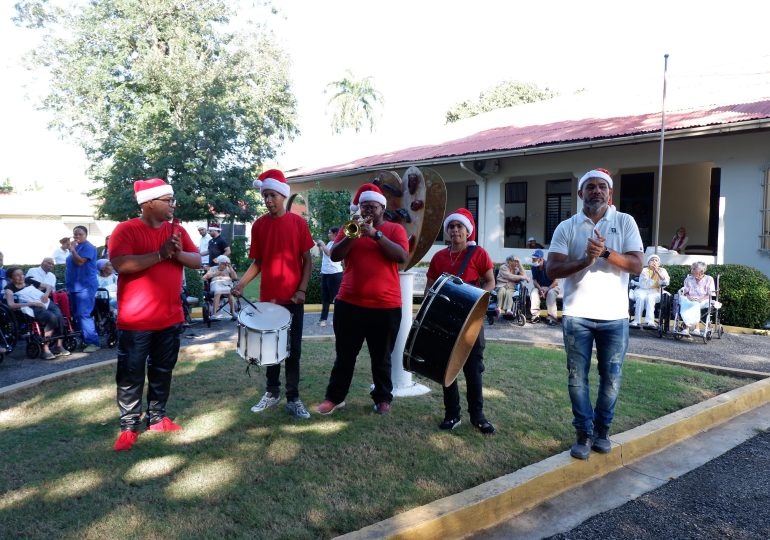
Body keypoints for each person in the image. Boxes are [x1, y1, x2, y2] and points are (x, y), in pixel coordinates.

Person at [546, 167, 643, 460]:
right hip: (578, 315)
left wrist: (604, 254)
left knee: (611, 377)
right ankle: (583, 433)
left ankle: (602, 430)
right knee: (577, 377)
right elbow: (552, 269)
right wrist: (585, 260)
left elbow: (637, 265)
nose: (596, 191)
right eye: (590, 187)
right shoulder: (567, 227)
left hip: (614, 316)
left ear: (610, 193)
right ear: (580, 193)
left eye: (602, 187)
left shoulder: (625, 222)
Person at [109, 178, 200, 451]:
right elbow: (121, 264)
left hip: (170, 317)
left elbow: (196, 261)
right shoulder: (125, 230)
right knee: (131, 373)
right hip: (136, 320)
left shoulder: (178, 231)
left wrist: (176, 252)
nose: (172, 204)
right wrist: (160, 254)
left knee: (162, 370)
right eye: (167, 200)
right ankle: (128, 426)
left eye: (172, 200)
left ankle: (157, 418)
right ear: (148, 203)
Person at [315, 183, 408, 417]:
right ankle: (335, 398)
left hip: (385, 305)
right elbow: (335, 255)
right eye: (363, 206)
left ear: (381, 208)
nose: (367, 210)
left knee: (382, 358)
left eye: (372, 206)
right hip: (350, 303)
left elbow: (401, 256)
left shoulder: (394, 229)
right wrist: (352, 233)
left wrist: (375, 235)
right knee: (345, 355)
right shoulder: (350, 228)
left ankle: (383, 398)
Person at [232, 169, 314, 419]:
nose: (268, 200)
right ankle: (272, 392)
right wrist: (241, 284)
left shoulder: (298, 223)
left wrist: (301, 290)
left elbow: (307, 260)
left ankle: (293, 398)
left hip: (293, 299)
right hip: (269, 301)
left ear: (282, 195)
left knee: (293, 351)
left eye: (272, 195)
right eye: (265, 195)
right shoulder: (259, 225)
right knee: (270, 350)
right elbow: (258, 262)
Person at [425, 208, 496, 434]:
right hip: (446, 321)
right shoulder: (439, 257)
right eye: (451, 227)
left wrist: (477, 303)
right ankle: (452, 414)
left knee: (473, 370)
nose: (455, 230)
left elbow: (490, 281)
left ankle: (478, 416)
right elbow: (429, 287)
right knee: (448, 369)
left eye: (459, 227)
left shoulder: (479, 254)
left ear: (468, 231)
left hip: (471, 322)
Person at [4, 266, 70, 358]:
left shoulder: (29, 281)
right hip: (33, 306)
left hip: (45, 301)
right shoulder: (9, 288)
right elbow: (11, 305)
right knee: (51, 318)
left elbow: (48, 286)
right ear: (11, 278)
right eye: (17, 275)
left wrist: (46, 294)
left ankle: (59, 345)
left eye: (22, 274)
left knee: (59, 316)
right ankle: (45, 349)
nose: (21, 277)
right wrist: (31, 303)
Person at [65, 225, 100, 353]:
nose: (77, 236)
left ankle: (93, 342)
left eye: (80, 234)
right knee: (76, 315)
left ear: (86, 235)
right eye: (75, 234)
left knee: (84, 314)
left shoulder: (89, 247)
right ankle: (84, 340)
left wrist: (73, 250)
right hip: (73, 286)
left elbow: (80, 262)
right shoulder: (75, 247)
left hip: (86, 286)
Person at [675, 261, 715, 337]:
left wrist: (701, 299)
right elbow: (685, 291)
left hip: (704, 300)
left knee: (695, 304)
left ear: (701, 271)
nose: (691, 271)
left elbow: (710, 294)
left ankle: (695, 328)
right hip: (690, 299)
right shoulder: (688, 279)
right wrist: (688, 297)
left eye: (694, 269)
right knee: (684, 302)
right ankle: (686, 329)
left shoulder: (709, 279)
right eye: (691, 269)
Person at [631, 254, 670, 329]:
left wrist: (658, 273)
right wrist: (652, 276)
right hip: (643, 290)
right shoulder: (644, 270)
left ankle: (650, 322)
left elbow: (666, 283)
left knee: (650, 298)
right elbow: (644, 285)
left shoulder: (662, 270)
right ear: (648, 262)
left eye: (656, 260)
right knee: (641, 298)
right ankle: (636, 321)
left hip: (656, 291)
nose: (654, 262)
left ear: (659, 263)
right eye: (652, 260)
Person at [316, 226, 343, 327]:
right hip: (326, 273)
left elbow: (329, 253)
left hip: (335, 274)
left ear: (335, 234)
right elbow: (326, 254)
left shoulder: (337, 243)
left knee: (336, 298)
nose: (328, 234)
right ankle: (323, 319)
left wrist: (322, 243)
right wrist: (321, 246)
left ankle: (338, 319)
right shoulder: (330, 243)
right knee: (325, 298)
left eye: (329, 233)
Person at [529, 249, 560, 326]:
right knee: (534, 292)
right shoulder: (534, 267)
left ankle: (552, 318)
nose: (533, 261)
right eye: (532, 259)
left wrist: (547, 289)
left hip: (552, 287)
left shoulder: (550, 266)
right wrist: (540, 289)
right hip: (540, 288)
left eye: (534, 259)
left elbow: (556, 282)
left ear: (541, 259)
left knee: (551, 293)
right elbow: (535, 281)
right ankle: (535, 316)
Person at [203, 254, 237, 320]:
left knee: (230, 292)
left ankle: (233, 312)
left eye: (225, 264)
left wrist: (230, 267)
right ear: (219, 263)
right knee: (218, 291)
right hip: (216, 284)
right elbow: (204, 277)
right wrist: (215, 274)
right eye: (223, 264)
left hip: (226, 284)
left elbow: (235, 277)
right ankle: (214, 314)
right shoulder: (213, 269)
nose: (224, 265)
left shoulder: (228, 269)